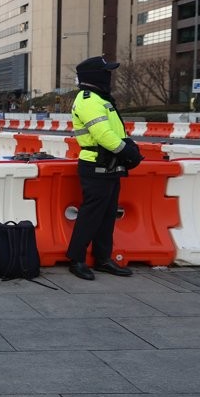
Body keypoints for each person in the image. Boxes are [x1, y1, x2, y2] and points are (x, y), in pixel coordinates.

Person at [66, 56, 142, 280]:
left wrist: (128, 144)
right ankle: (76, 259)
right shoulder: (89, 99)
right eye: (106, 72)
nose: (109, 76)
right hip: (95, 163)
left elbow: (115, 131)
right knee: (91, 215)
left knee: (108, 215)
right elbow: (103, 134)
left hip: (110, 163)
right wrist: (127, 151)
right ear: (94, 75)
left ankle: (102, 259)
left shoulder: (100, 98)